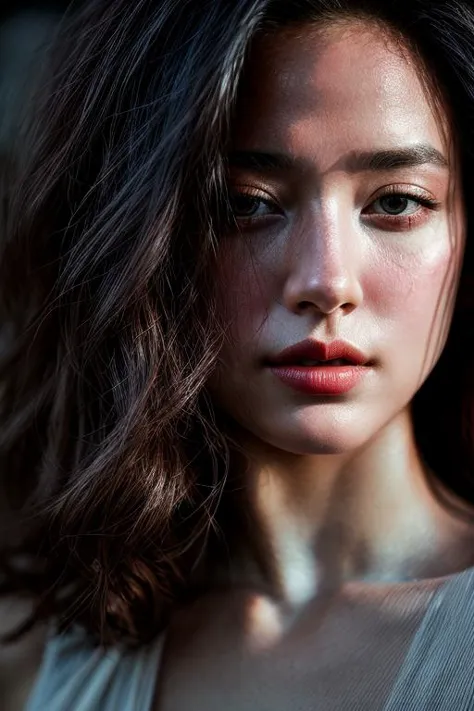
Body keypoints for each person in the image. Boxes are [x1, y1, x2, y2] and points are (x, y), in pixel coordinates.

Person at [1, 0, 474, 708]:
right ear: (140, 240)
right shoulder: (34, 655)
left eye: (397, 202)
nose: (326, 281)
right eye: (247, 205)